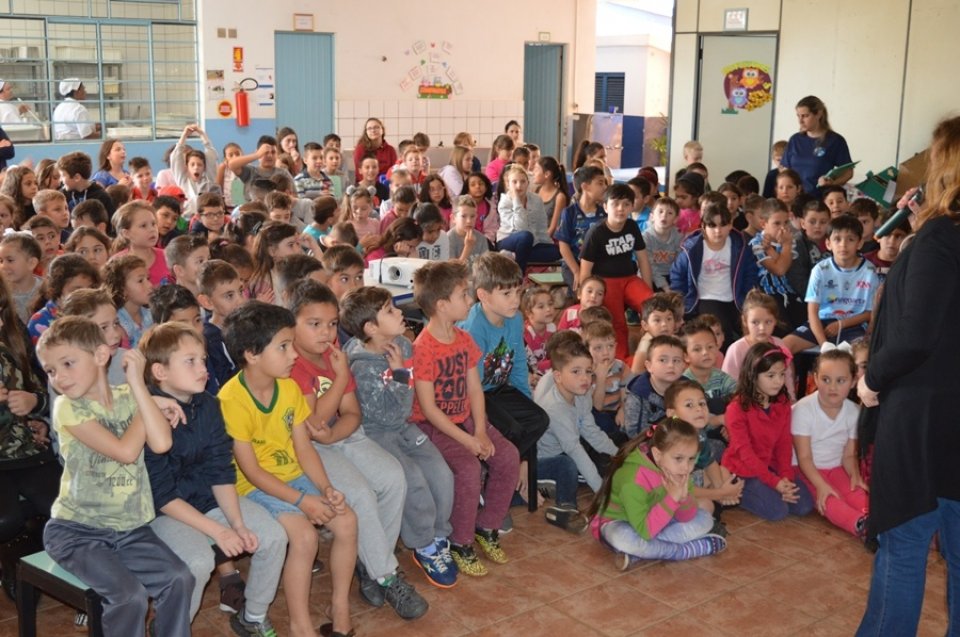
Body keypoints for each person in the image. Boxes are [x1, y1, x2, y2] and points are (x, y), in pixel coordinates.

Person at [856, 116, 960, 636]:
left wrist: (871, 379)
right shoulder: (938, 235)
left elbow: (917, 334)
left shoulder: (939, 239)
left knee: (905, 545)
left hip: (922, 414)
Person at [36, 317, 193, 636]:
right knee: (130, 596)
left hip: (130, 529)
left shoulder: (128, 395)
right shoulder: (67, 407)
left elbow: (162, 443)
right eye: (51, 370)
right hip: (77, 532)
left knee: (180, 578)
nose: (59, 378)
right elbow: (125, 451)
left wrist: (139, 391)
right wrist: (146, 402)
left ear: (100, 355)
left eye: (67, 363)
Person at [286, 280, 428, 619]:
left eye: (332, 324)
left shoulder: (333, 357)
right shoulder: (295, 365)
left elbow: (351, 413)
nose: (326, 333)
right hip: (306, 449)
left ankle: (371, 565)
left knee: (394, 478)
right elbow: (314, 420)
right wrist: (337, 379)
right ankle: (388, 575)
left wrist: (334, 435)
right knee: (361, 494)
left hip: (341, 438)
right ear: (293, 325)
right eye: (314, 324)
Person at [220, 301, 358, 637]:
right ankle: (301, 626)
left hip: (290, 476)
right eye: (283, 347)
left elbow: (303, 447)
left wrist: (326, 489)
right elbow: (251, 471)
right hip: (252, 487)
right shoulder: (231, 400)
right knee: (304, 535)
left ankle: (338, 606)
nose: (293, 355)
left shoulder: (289, 388)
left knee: (347, 520)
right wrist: (301, 500)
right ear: (252, 354)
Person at [138, 323, 286, 633]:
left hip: (207, 500)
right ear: (160, 372)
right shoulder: (145, 413)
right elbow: (161, 495)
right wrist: (219, 532)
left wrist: (237, 524)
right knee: (198, 562)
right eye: (189, 361)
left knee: (272, 536)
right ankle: (170, 629)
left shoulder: (209, 405)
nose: (203, 368)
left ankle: (252, 617)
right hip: (162, 512)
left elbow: (220, 469)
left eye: (203, 359)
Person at [409, 261, 520, 577]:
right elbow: (429, 411)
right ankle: (460, 542)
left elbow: (475, 389)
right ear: (443, 305)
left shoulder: (463, 339)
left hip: (466, 418)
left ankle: (487, 527)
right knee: (469, 468)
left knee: (508, 456)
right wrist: (469, 441)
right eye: (463, 295)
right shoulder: (424, 348)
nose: (469, 300)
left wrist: (481, 431)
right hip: (434, 426)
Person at [588, 417, 727, 570]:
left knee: (705, 518)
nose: (686, 467)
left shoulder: (678, 471)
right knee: (625, 540)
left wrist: (683, 498)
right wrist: (672, 499)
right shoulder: (633, 479)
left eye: (691, 459)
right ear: (658, 455)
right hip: (620, 523)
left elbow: (686, 516)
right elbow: (645, 531)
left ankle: (641, 553)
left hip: (656, 521)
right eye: (679, 459)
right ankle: (682, 551)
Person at [722, 342, 814, 521]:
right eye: (770, 375)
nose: (779, 381)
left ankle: (770, 489)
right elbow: (745, 453)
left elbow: (784, 444)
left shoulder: (782, 403)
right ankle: (737, 493)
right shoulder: (736, 408)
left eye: (781, 374)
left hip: (770, 464)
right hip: (743, 470)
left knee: (804, 505)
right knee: (778, 511)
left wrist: (785, 477)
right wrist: (775, 483)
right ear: (753, 375)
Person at [534, 331, 614, 532]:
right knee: (568, 464)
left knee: (605, 449)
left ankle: (583, 478)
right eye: (576, 372)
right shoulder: (555, 408)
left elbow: (592, 432)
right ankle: (566, 507)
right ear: (559, 377)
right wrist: (602, 495)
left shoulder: (581, 393)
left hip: (567, 447)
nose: (585, 378)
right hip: (543, 462)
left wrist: (621, 455)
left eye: (588, 371)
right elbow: (574, 450)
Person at [791, 349, 868, 537]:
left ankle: (876, 521)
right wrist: (821, 485)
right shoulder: (803, 410)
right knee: (829, 499)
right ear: (815, 378)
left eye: (840, 380)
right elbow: (804, 457)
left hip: (836, 466)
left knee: (857, 493)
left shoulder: (854, 412)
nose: (832, 387)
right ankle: (860, 525)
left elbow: (849, 455)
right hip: (806, 469)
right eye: (826, 379)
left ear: (853, 381)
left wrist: (854, 475)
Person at [579, 183, 654, 359]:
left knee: (652, 306)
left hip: (629, 279)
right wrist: (584, 297)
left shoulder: (632, 226)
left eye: (626, 204)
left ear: (632, 206)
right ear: (605, 207)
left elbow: (643, 259)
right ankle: (621, 361)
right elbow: (586, 268)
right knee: (617, 322)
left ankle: (652, 353)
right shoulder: (596, 232)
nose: (621, 209)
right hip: (605, 282)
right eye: (615, 204)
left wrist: (648, 289)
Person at [781, 96, 852, 195]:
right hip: (795, 200)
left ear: (818, 114)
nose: (800, 121)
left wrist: (832, 183)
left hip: (819, 200)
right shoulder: (795, 140)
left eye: (805, 116)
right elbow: (785, 170)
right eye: (798, 116)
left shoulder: (835, 140)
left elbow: (848, 172)